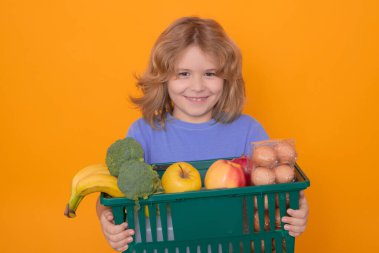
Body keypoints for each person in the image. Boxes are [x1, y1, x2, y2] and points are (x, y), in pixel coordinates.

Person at [96, 16, 309, 252]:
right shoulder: (143, 133)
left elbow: (275, 196)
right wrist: (107, 220)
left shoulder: (249, 131)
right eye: (183, 74)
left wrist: (297, 211)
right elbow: (112, 193)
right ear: (163, 78)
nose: (197, 86)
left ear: (226, 79)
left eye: (210, 74)